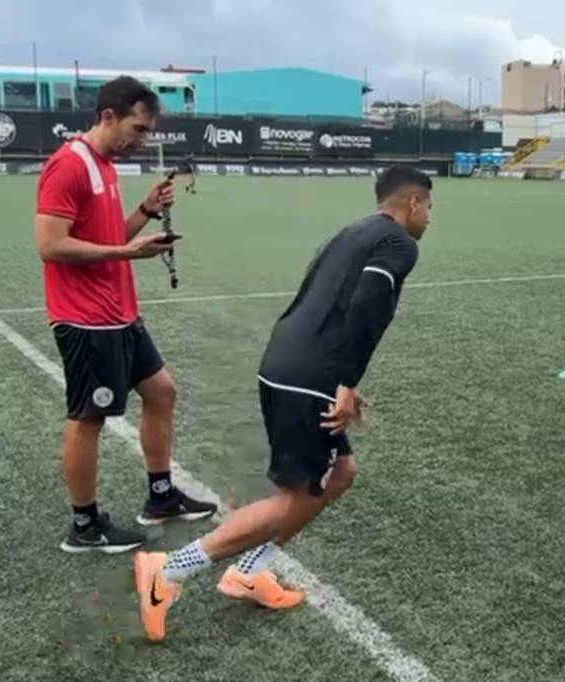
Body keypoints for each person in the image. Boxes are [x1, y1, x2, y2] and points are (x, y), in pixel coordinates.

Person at [134, 166, 432, 642]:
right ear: (413, 203)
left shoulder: (350, 233)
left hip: (285, 362)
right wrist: (345, 381)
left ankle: (250, 570)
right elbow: (368, 305)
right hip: (313, 375)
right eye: (429, 208)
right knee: (295, 498)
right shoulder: (399, 243)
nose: (429, 220)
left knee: (340, 475)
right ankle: (167, 571)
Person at [35, 76, 217, 555]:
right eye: (138, 128)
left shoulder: (105, 166)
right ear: (108, 116)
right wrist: (126, 251)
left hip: (120, 313)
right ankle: (85, 524)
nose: (144, 139)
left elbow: (107, 233)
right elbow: (50, 245)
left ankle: (160, 497)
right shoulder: (68, 166)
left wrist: (146, 211)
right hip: (85, 318)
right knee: (88, 417)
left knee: (162, 392)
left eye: (149, 131)